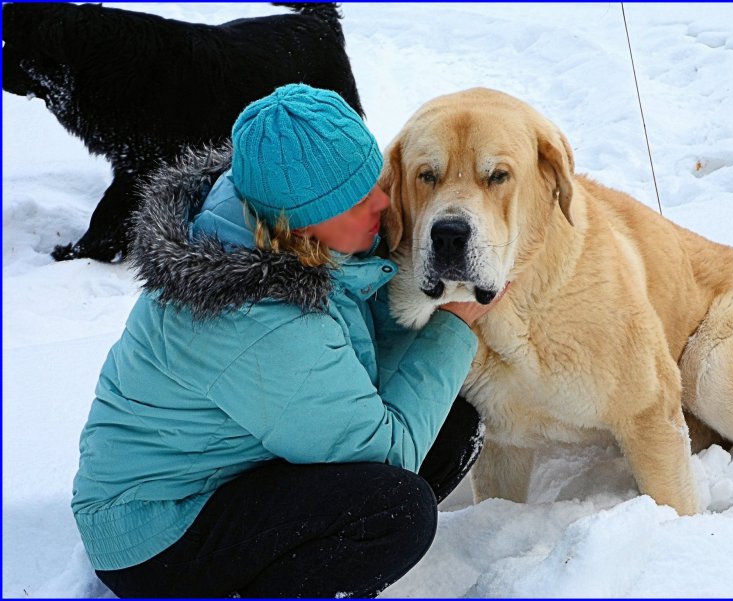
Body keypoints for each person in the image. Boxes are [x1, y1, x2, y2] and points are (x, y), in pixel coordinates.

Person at [71, 83, 506, 598]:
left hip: (234, 466)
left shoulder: (274, 214)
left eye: (375, 183)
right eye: (357, 200)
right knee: (393, 509)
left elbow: (362, 352)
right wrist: (454, 323)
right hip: (158, 532)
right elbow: (384, 459)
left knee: (449, 427)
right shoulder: (256, 317)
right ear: (299, 227)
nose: (383, 203)